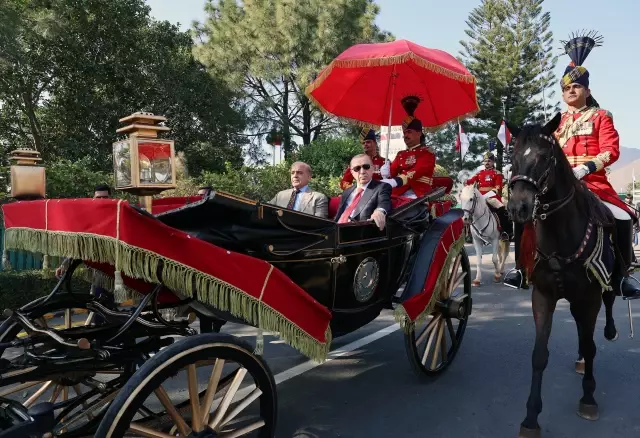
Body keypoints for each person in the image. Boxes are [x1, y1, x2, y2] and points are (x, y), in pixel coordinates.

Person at [504, 30, 640, 299]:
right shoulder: (557, 122)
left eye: (575, 87)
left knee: (622, 217)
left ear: (587, 90)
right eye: (566, 88)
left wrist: (587, 168)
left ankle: (624, 276)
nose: (570, 91)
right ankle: (520, 269)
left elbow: (611, 150)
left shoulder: (601, 116)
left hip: (593, 182)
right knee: (524, 213)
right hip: (558, 183)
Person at [379, 96, 436, 199]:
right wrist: (385, 174)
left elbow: (417, 171)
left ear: (419, 134)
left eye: (409, 132)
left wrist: (397, 180)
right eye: (404, 132)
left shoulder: (427, 153)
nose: (405, 135)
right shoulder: (401, 154)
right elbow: (392, 172)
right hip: (399, 192)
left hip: (419, 193)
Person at [465, 151, 513, 241]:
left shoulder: (497, 173)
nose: (487, 163)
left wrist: (487, 195)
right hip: (479, 197)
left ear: (493, 162)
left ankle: (504, 231)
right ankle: (470, 233)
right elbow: (471, 181)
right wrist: (465, 180)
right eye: (485, 161)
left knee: (501, 210)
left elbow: (497, 188)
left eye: (489, 161)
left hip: (492, 197)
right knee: (469, 209)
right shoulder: (480, 173)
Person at [335, 154, 391, 230]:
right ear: (352, 172)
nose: (362, 172)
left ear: (372, 168)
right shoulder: (346, 192)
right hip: (336, 231)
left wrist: (379, 212)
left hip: (359, 233)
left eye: (366, 167)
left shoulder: (382, 187)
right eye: (357, 168)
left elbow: (384, 202)